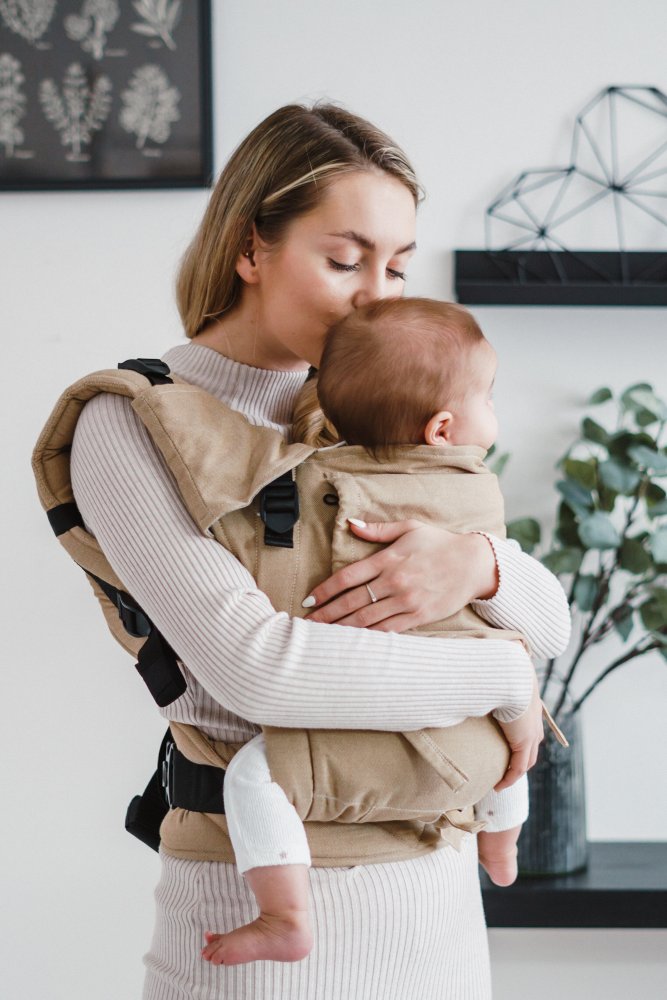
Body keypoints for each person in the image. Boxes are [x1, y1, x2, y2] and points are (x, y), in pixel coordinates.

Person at [70, 103, 571, 1000]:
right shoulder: (130, 423)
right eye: (344, 261)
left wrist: (480, 566)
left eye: (398, 266)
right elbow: (259, 673)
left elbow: (550, 618)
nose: (378, 296)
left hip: (437, 908)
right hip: (254, 923)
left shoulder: (383, 404)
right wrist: (502, 678)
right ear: (250, 247)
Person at [201, 296, 533, 968]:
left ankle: (283, 914)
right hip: (485, 738)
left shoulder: (310, 482)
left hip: (394, 735)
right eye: (489, 397)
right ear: (442, 430)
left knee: (251, 776)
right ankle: (500, 838)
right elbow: (533, 631)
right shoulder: (478, 493)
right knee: (517, 722)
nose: (494, 412)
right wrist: (509, 670)